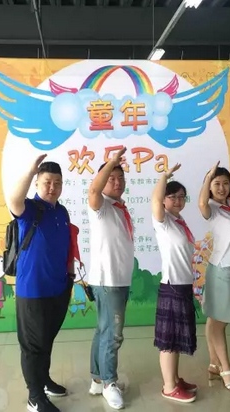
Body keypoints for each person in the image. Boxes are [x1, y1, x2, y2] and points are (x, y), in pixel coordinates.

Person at [7, 154, 75, 412]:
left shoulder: (61, 211)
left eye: (57, 182)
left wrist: (69, 277)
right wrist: (29, 171)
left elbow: (67, 246)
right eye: (47, 182)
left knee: (46, 340)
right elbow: (14, 200)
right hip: (33, 290)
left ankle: (44, 381)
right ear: (37, 183)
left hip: (59, 287)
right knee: (32, 347)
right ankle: (34, 397)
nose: (52, 187)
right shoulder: (29, 209)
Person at [87, 147, 134, 410]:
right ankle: (109, 383)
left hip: (118, 279)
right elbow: (94, 190)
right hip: (108, 280)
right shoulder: (101, 205)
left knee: (103, 329)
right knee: (113, 334)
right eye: (111, 178)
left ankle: (97, 379)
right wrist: (112, 161)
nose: (117, 182)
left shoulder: (118, 207)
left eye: (120, 178)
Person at [198, 161, 230, 392]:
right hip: (221, 268)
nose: (221, 188)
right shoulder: (211, 207)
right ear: (209, 187)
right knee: (220, 322)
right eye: (216, 183)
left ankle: (213, 364)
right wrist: (208, 176)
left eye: (225, 183)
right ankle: (226, 369)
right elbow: (201, 203)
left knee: (214, 319)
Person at [151, 163, 198, 403]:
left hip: (183, 285)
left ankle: (175, 379)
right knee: (169, 341)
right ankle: (169, 387)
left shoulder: (179, 222)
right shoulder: (163, 221)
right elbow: (155, 200)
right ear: (165, 201)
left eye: (181, 197)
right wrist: (164, 176)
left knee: (177, 338)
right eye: (173, 197)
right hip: (172, 286)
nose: (178, 201)